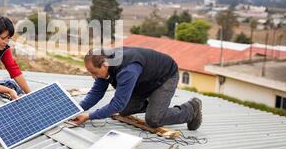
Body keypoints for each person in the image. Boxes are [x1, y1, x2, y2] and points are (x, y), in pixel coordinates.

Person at [71, 47, 202, 130]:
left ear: (104, 65)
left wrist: (89, 116)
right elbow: (96, 93)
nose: (93, 76)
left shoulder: (127, 70)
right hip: (142, 81)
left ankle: (191, 109)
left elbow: (117, 104)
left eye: (93, 72)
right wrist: (76, 109)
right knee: (124, 110)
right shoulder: (104, 61)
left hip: (164, 77)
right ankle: (153, 105)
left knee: (154, 119)